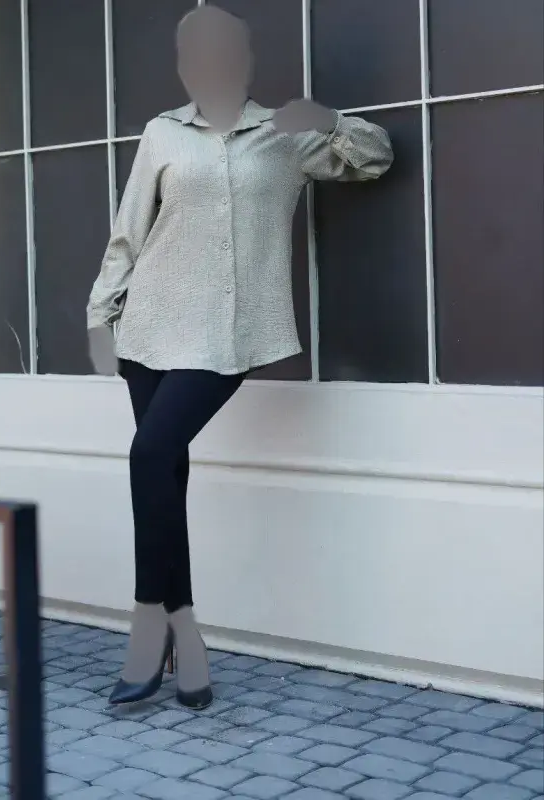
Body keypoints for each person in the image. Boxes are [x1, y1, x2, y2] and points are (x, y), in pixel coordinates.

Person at [87, 5, 393, 710]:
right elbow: (129, 231)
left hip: (227, 333)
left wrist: (328, 119)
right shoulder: (163, 133)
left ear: (244, 59)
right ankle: (186, 644)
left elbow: (373, 157)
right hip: (148, 328)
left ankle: (147, 629)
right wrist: (102, 315)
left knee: (148, 455)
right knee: (165, 475)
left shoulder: (284, 135)